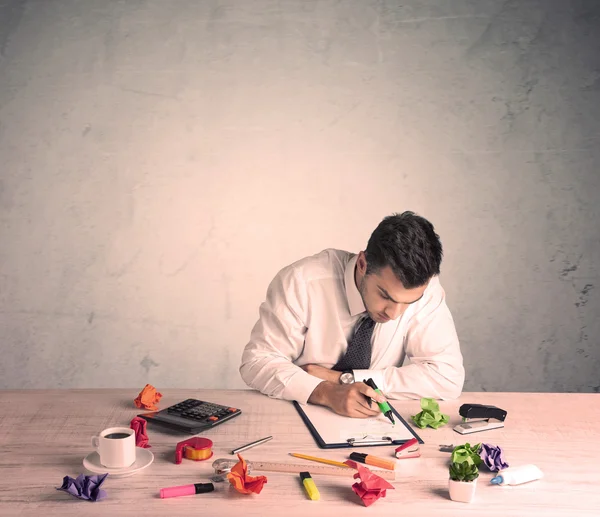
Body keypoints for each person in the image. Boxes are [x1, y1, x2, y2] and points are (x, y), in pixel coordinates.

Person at [240, 211, 464, 418]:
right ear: (363, 264)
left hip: (372, 423)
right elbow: (257, 362)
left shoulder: (427, 290)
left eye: (409, 302)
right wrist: (326, 392)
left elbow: (447, 377)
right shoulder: (302, 281)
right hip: (297, 411)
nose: (395, 313)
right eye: (385, 296)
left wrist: (345, 379)